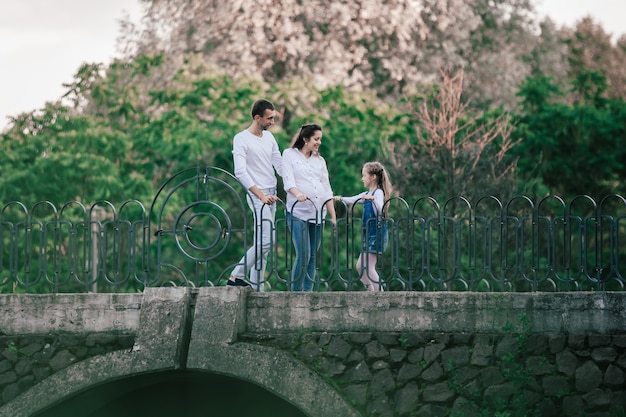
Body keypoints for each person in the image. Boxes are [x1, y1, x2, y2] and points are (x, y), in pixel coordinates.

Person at [227, 99, 283, 290]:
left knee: (263, 246)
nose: (272, 122)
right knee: (267, 241)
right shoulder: (241, 138)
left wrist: (296, 186)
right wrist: (260, 196)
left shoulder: (269, 138)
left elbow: (280, 164)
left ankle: (256, 289)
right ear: (257, 117)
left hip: (272, 195)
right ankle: (236, 275)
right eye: (269, 118)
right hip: (257, 195)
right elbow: (240, 172)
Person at [282, 124, 337, 291]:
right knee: (303, 254)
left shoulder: (319, 161)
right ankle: (296, 293)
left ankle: (308, 293)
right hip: (298, 212)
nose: (319, 142)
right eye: (316, 139)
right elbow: (288, 181)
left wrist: (333, 216)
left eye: (320, 139)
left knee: (313, 256)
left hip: (318, 213)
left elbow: (326, 188)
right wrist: (297, 193)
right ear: (305, 139)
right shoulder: (289, 155)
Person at [335, 161, 392, 291]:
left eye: (364, 175)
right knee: (360, 266)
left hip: (377, 233)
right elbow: (353, 199)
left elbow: (380, 209)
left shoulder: (378, 193)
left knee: (368, 266)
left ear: (373, 177)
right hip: (369, 234)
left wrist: (372, 200)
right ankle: (371, 289)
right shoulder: (368, 194)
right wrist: (341, 198)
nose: (362, 179)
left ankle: (379, 293)